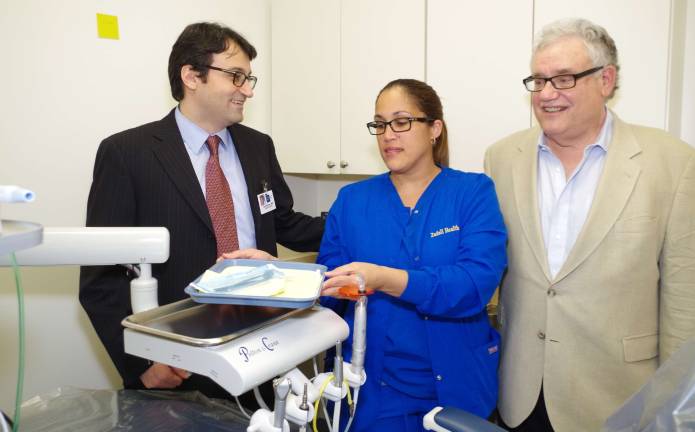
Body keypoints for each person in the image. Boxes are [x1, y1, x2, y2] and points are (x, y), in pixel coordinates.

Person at [79, 22, 324, 401]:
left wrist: (353, 224)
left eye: (249, 78)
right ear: (192, 76)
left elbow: (280, 222)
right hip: (175, 365)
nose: (248, 90)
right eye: (237, 76)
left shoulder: (258, 146)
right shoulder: (128, 153)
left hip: (260, 346)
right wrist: (144, 366)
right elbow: (100, 280)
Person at [484, 18, 695, 432]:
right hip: (520, 392)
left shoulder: (672, 162)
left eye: (563, 79)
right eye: (538, 81)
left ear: (606, 80)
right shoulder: (501, 159)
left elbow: (683, 300)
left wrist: (672, 408)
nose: (546, 94)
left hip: (620, 399)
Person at [318, 79, 507, 431]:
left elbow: (473, 284)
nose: (388, 134)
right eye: (380, 124)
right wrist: (270, 274)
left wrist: (384, 279)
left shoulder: (472, 193)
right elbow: (327, 292)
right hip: (371, 395)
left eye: (402, 121)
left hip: (457, 390)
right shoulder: (353, 201)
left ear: (434, 128)